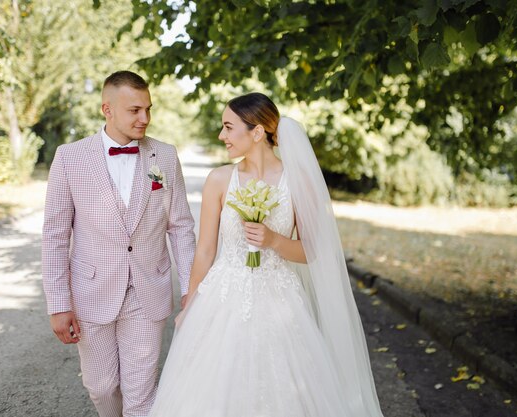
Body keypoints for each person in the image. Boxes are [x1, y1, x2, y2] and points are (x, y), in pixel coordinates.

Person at [148, 93, 384, 417]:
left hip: (280, 300)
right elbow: (204, 251)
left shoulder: (297, 181)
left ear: (257, 132)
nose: (222, 136)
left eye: (229, 128)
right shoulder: (219, 180)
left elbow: (312, 251)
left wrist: (273, 240)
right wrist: (189, 303)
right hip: (222, 298)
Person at [42, 70, 196, 417]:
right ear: (106, 109)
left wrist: (190, 287)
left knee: (141, 393)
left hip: (148, 291)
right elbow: (54, 236)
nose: (145, 118)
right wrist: (58, 303)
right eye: (134, 110)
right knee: (102, 387)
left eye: (148, 109)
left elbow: (181, 227)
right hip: (91, 293)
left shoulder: (165, 157)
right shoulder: (70, 157)